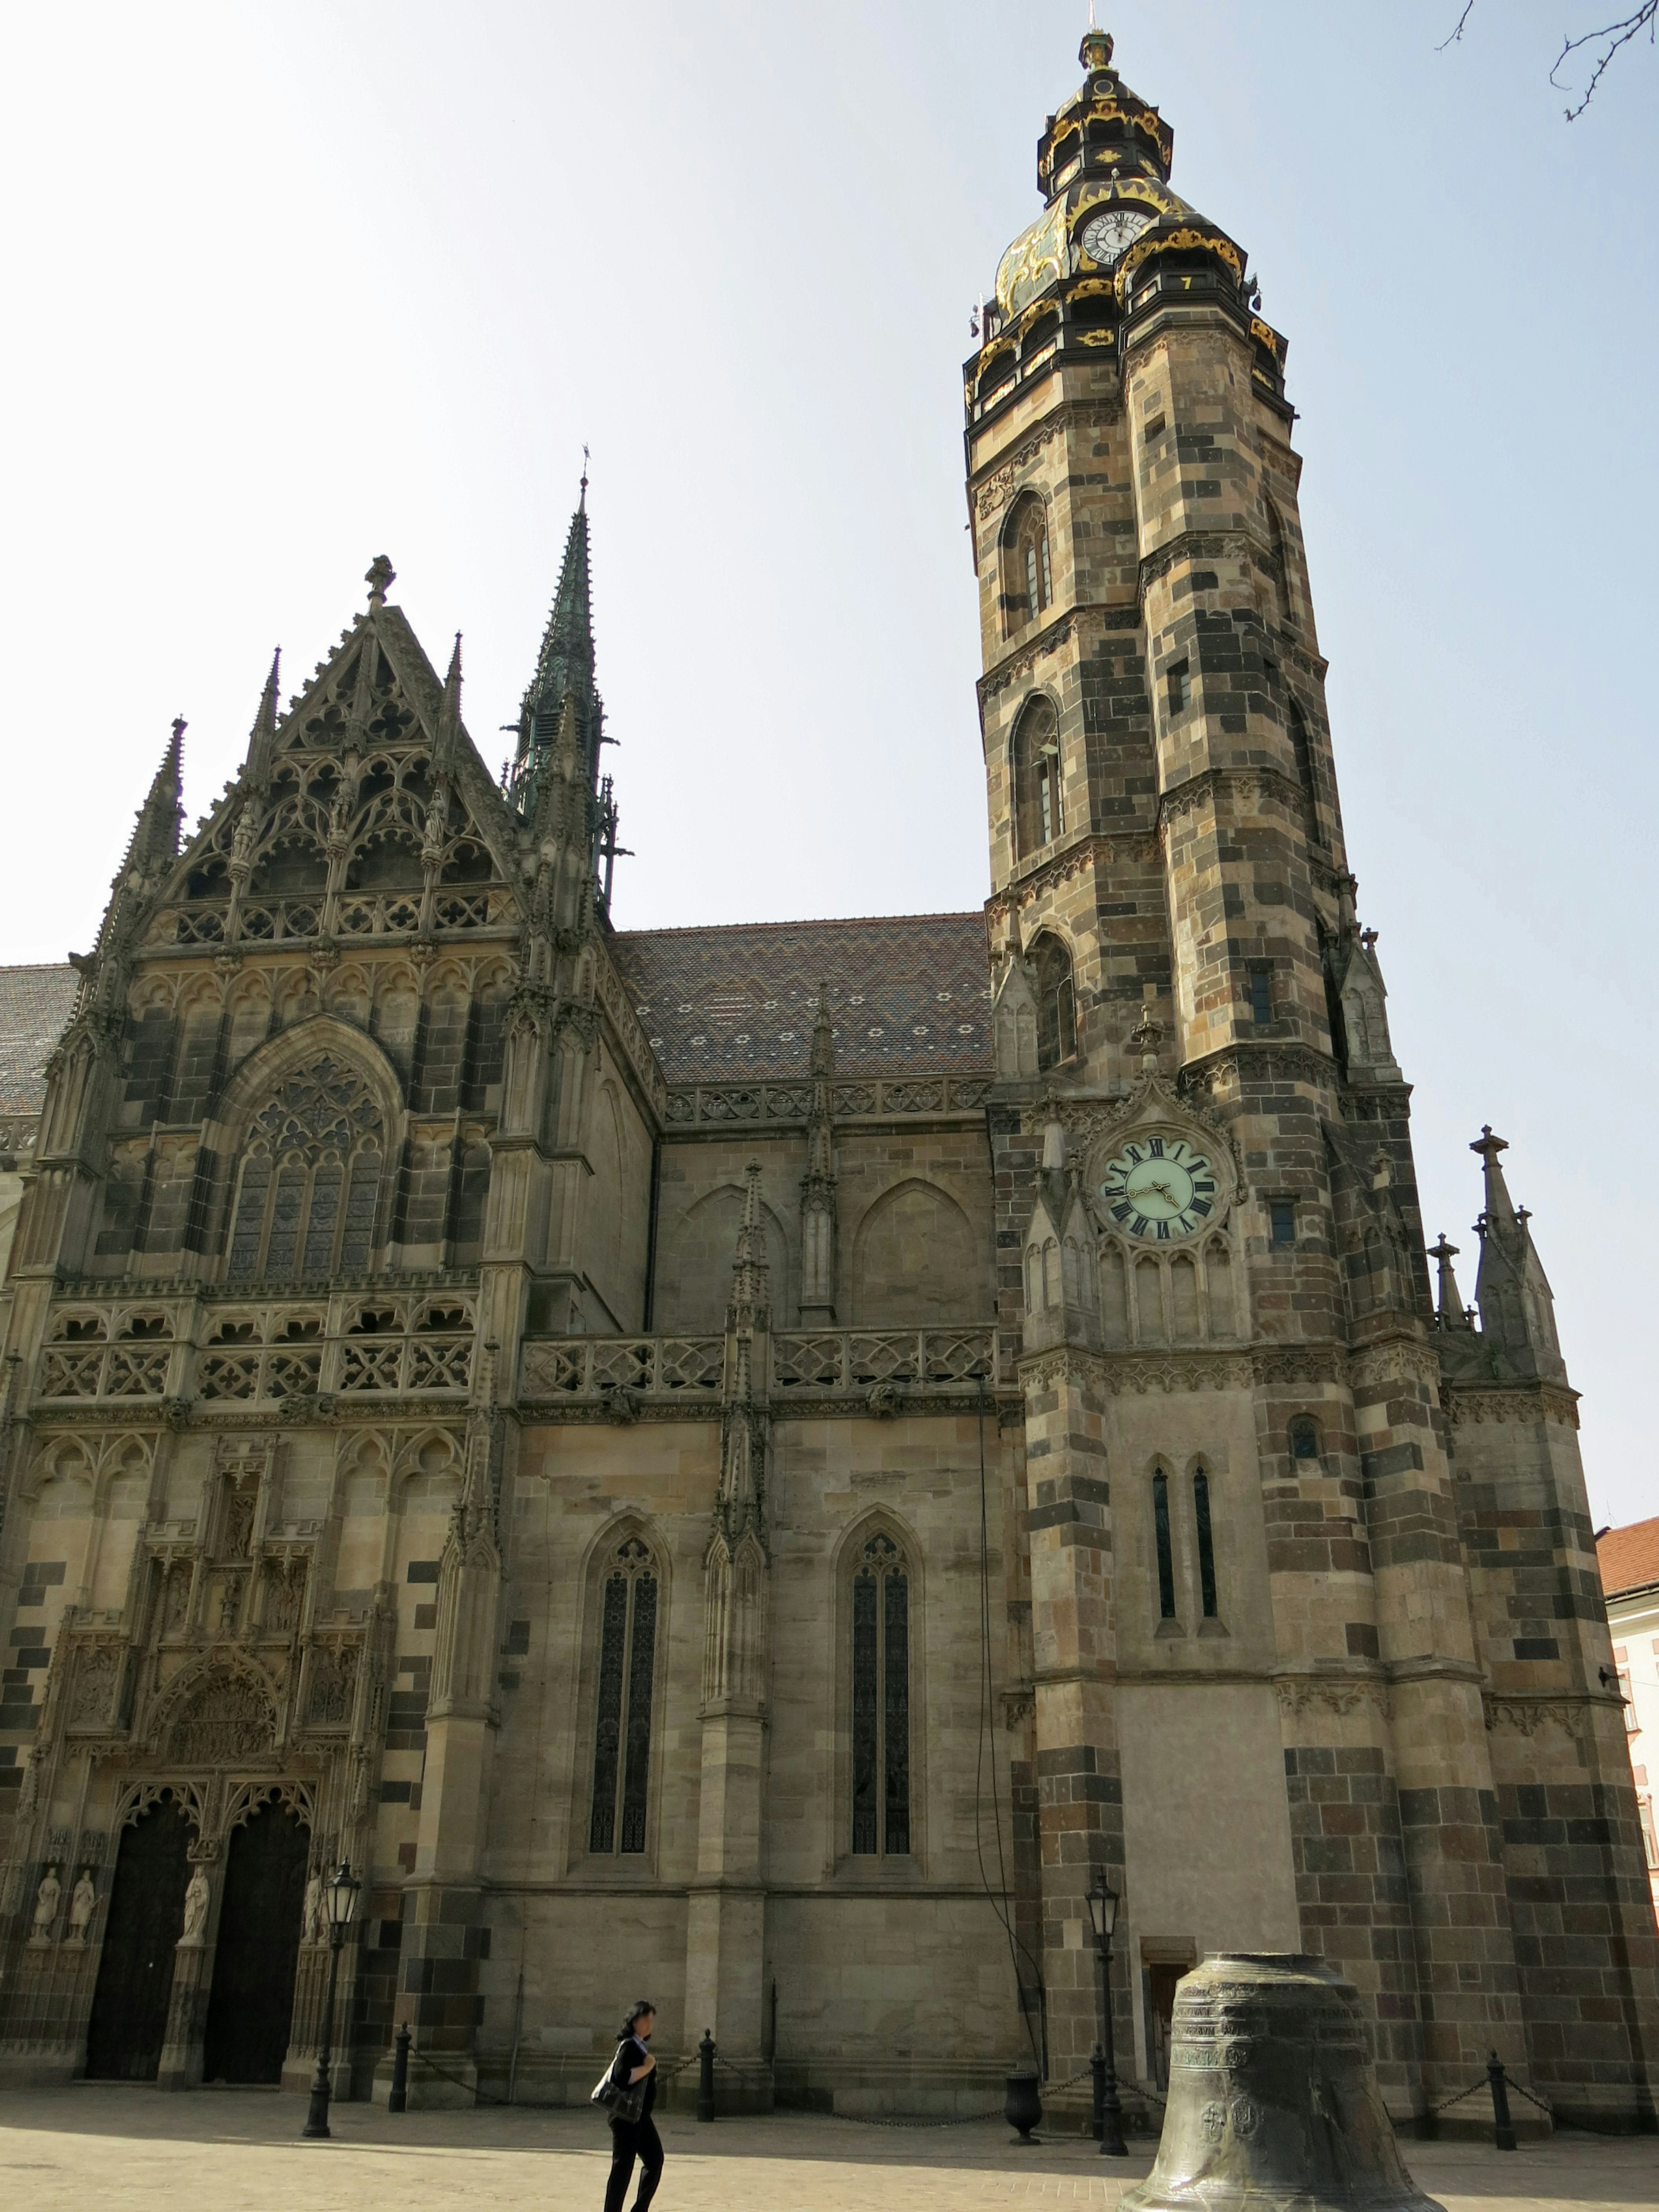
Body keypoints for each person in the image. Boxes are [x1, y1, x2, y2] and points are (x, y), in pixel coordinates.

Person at [602, 1999, 663, 2212]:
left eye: (651, 2020)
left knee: (655, 2160)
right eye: (644, 2019)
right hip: (626, 2117)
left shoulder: (640, 2046)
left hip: (639, 2117)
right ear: (634, 2021)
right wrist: (648, 2067)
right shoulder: (629, 2045)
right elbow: (621, 2077)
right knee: (623, 2168)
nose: (648, 2024)